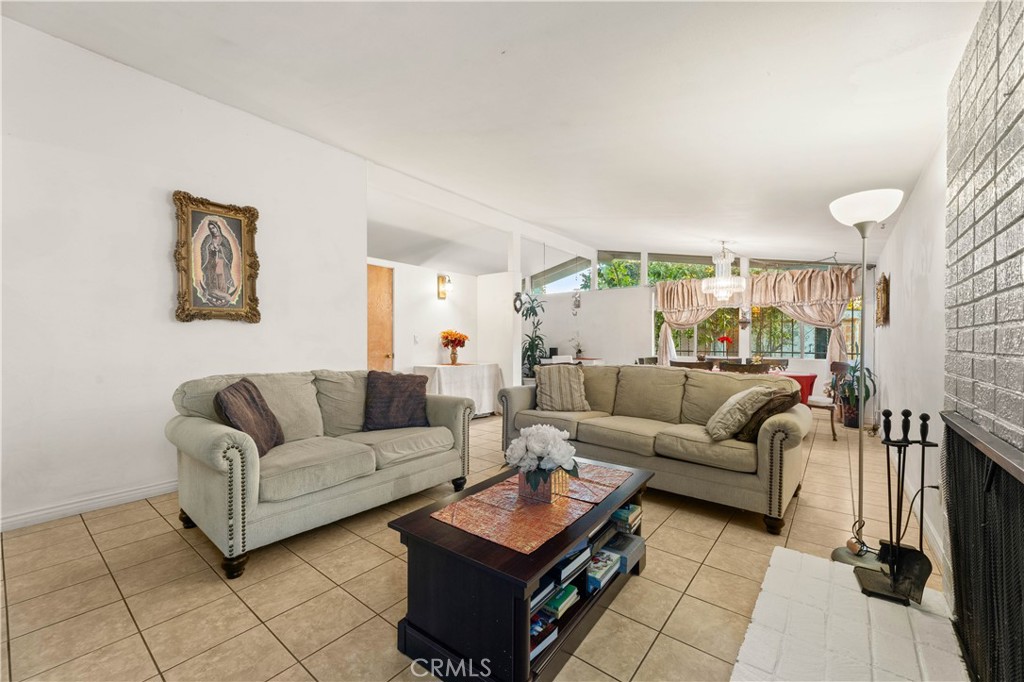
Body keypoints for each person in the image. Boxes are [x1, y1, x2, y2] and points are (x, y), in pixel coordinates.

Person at [199, 218, 235, 305]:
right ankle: (214, 295)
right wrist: (209, 248)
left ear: (217, 227)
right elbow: (203, 249)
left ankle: (222, 296)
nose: (212, 230)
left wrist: (219, 248)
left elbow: (229, 252)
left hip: (221, 263)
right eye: (210, 228)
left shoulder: (224, 239)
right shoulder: (208, 238)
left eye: (213, 228)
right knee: (211, 279)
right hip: (211, 263)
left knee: (221, 279)